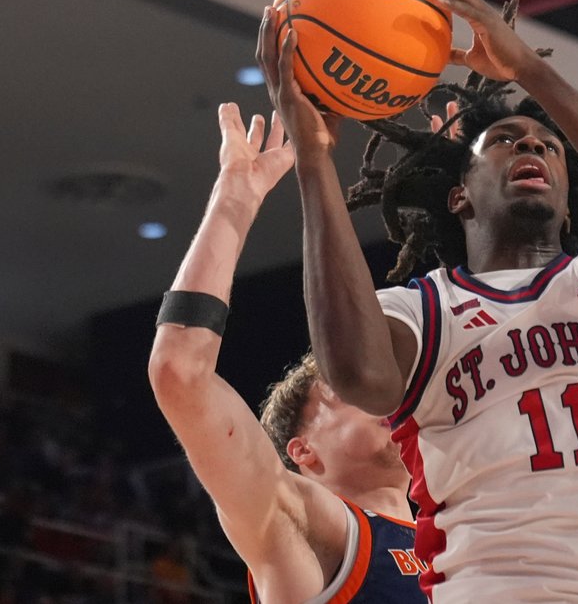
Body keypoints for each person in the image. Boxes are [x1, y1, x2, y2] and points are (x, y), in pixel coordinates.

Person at [257, 0, 578, 603]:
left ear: (565, 191)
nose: (531, 143)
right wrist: (314, 159)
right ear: (460, 194)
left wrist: (528, 67)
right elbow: (358, 375)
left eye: (547, 144)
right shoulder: (423, 311)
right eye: (503, 141)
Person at [148, 103, 425, 603]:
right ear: (303, 452)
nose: (387, 399)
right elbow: (180, 371)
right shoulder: (309, 529)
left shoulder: (462, 544)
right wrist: (235, 194)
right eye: (351, 392)